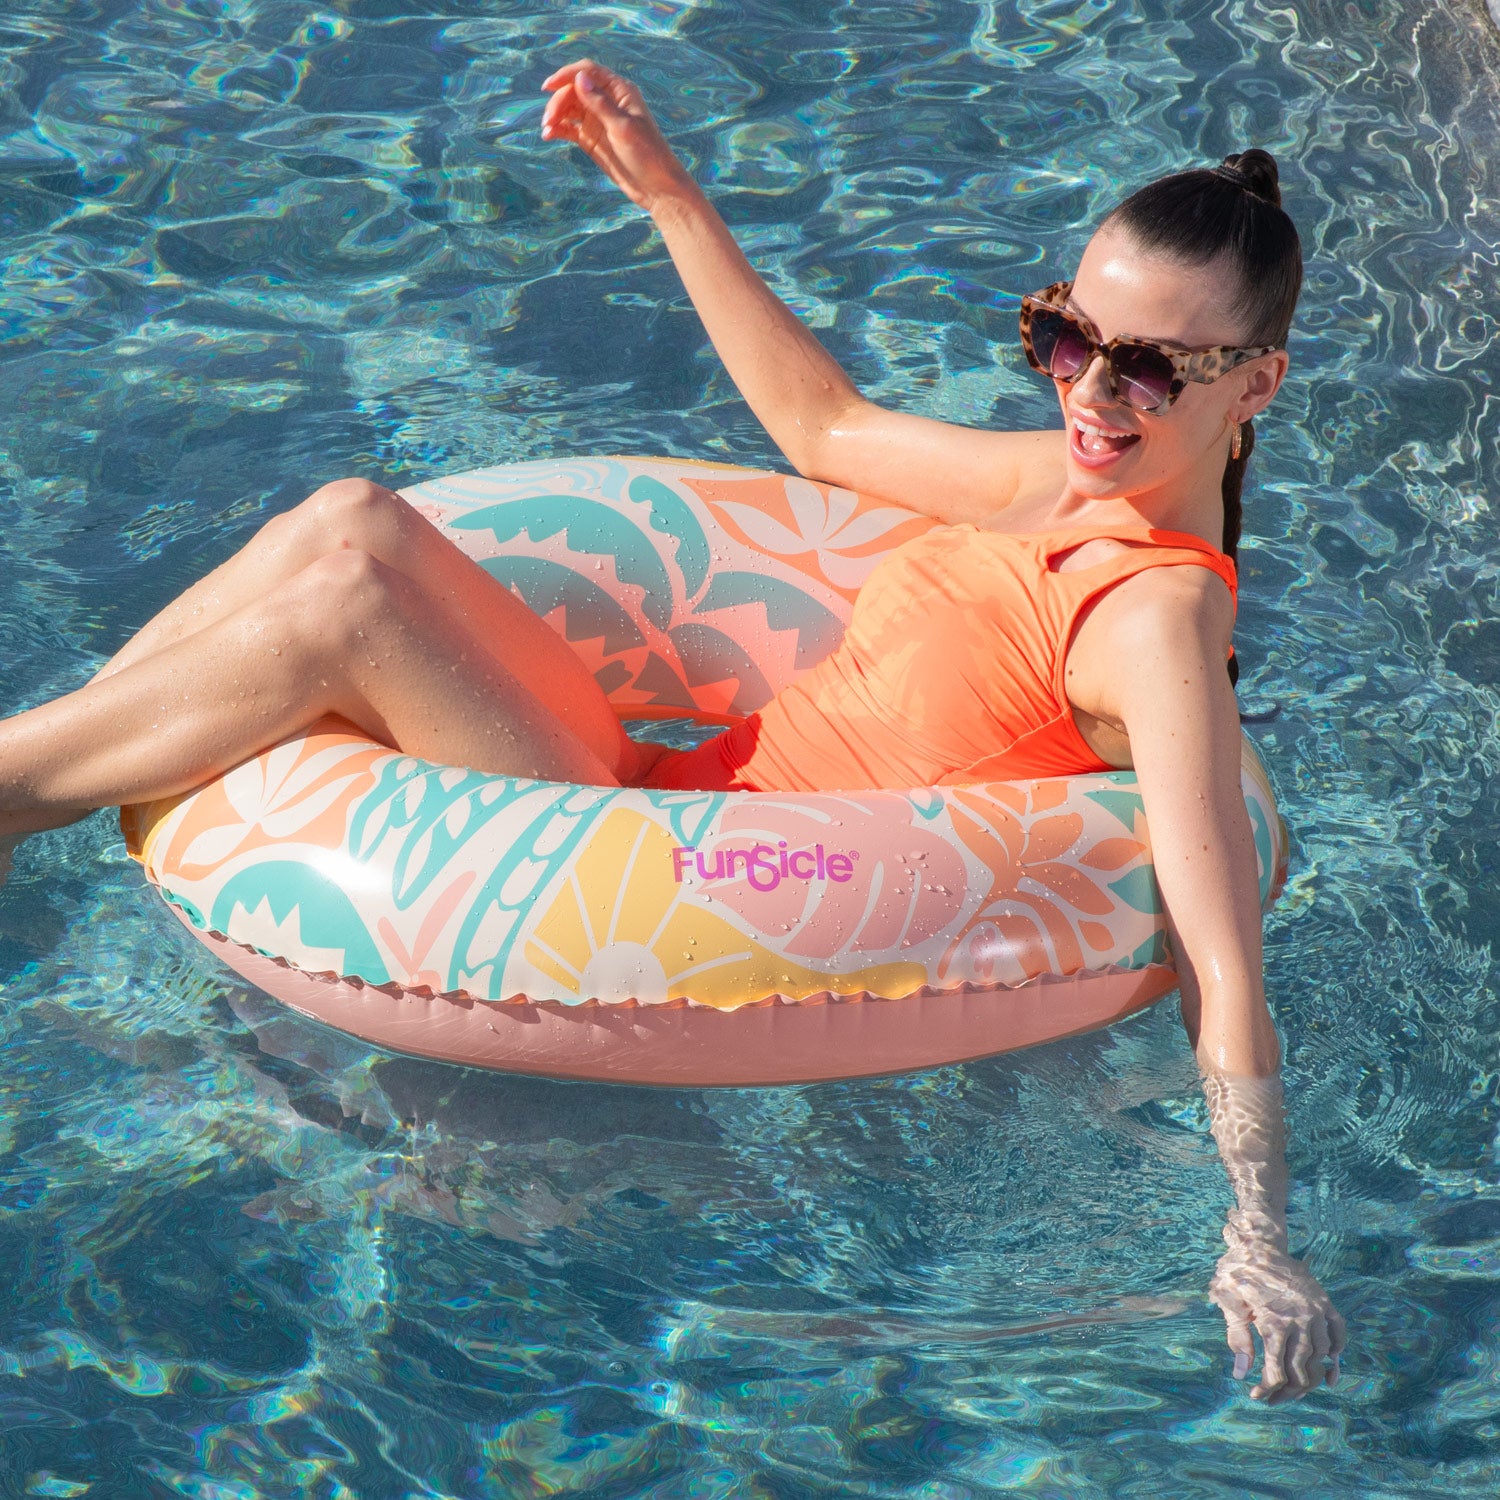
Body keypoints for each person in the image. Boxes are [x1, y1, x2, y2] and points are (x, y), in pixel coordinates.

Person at [0, 59, 1344, 1402]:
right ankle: (52, 770)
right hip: (660, 786)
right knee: (355, 518)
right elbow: (827, 428)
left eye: (1150, 370)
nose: (1092, 398)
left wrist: (1256, 1242)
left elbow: (1220, 962)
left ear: (1255, 385)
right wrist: (665, 190)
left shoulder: (1155, 620)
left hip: (687, 866)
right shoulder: (1056, 483)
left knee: (350, 601)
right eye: (1066, 340)